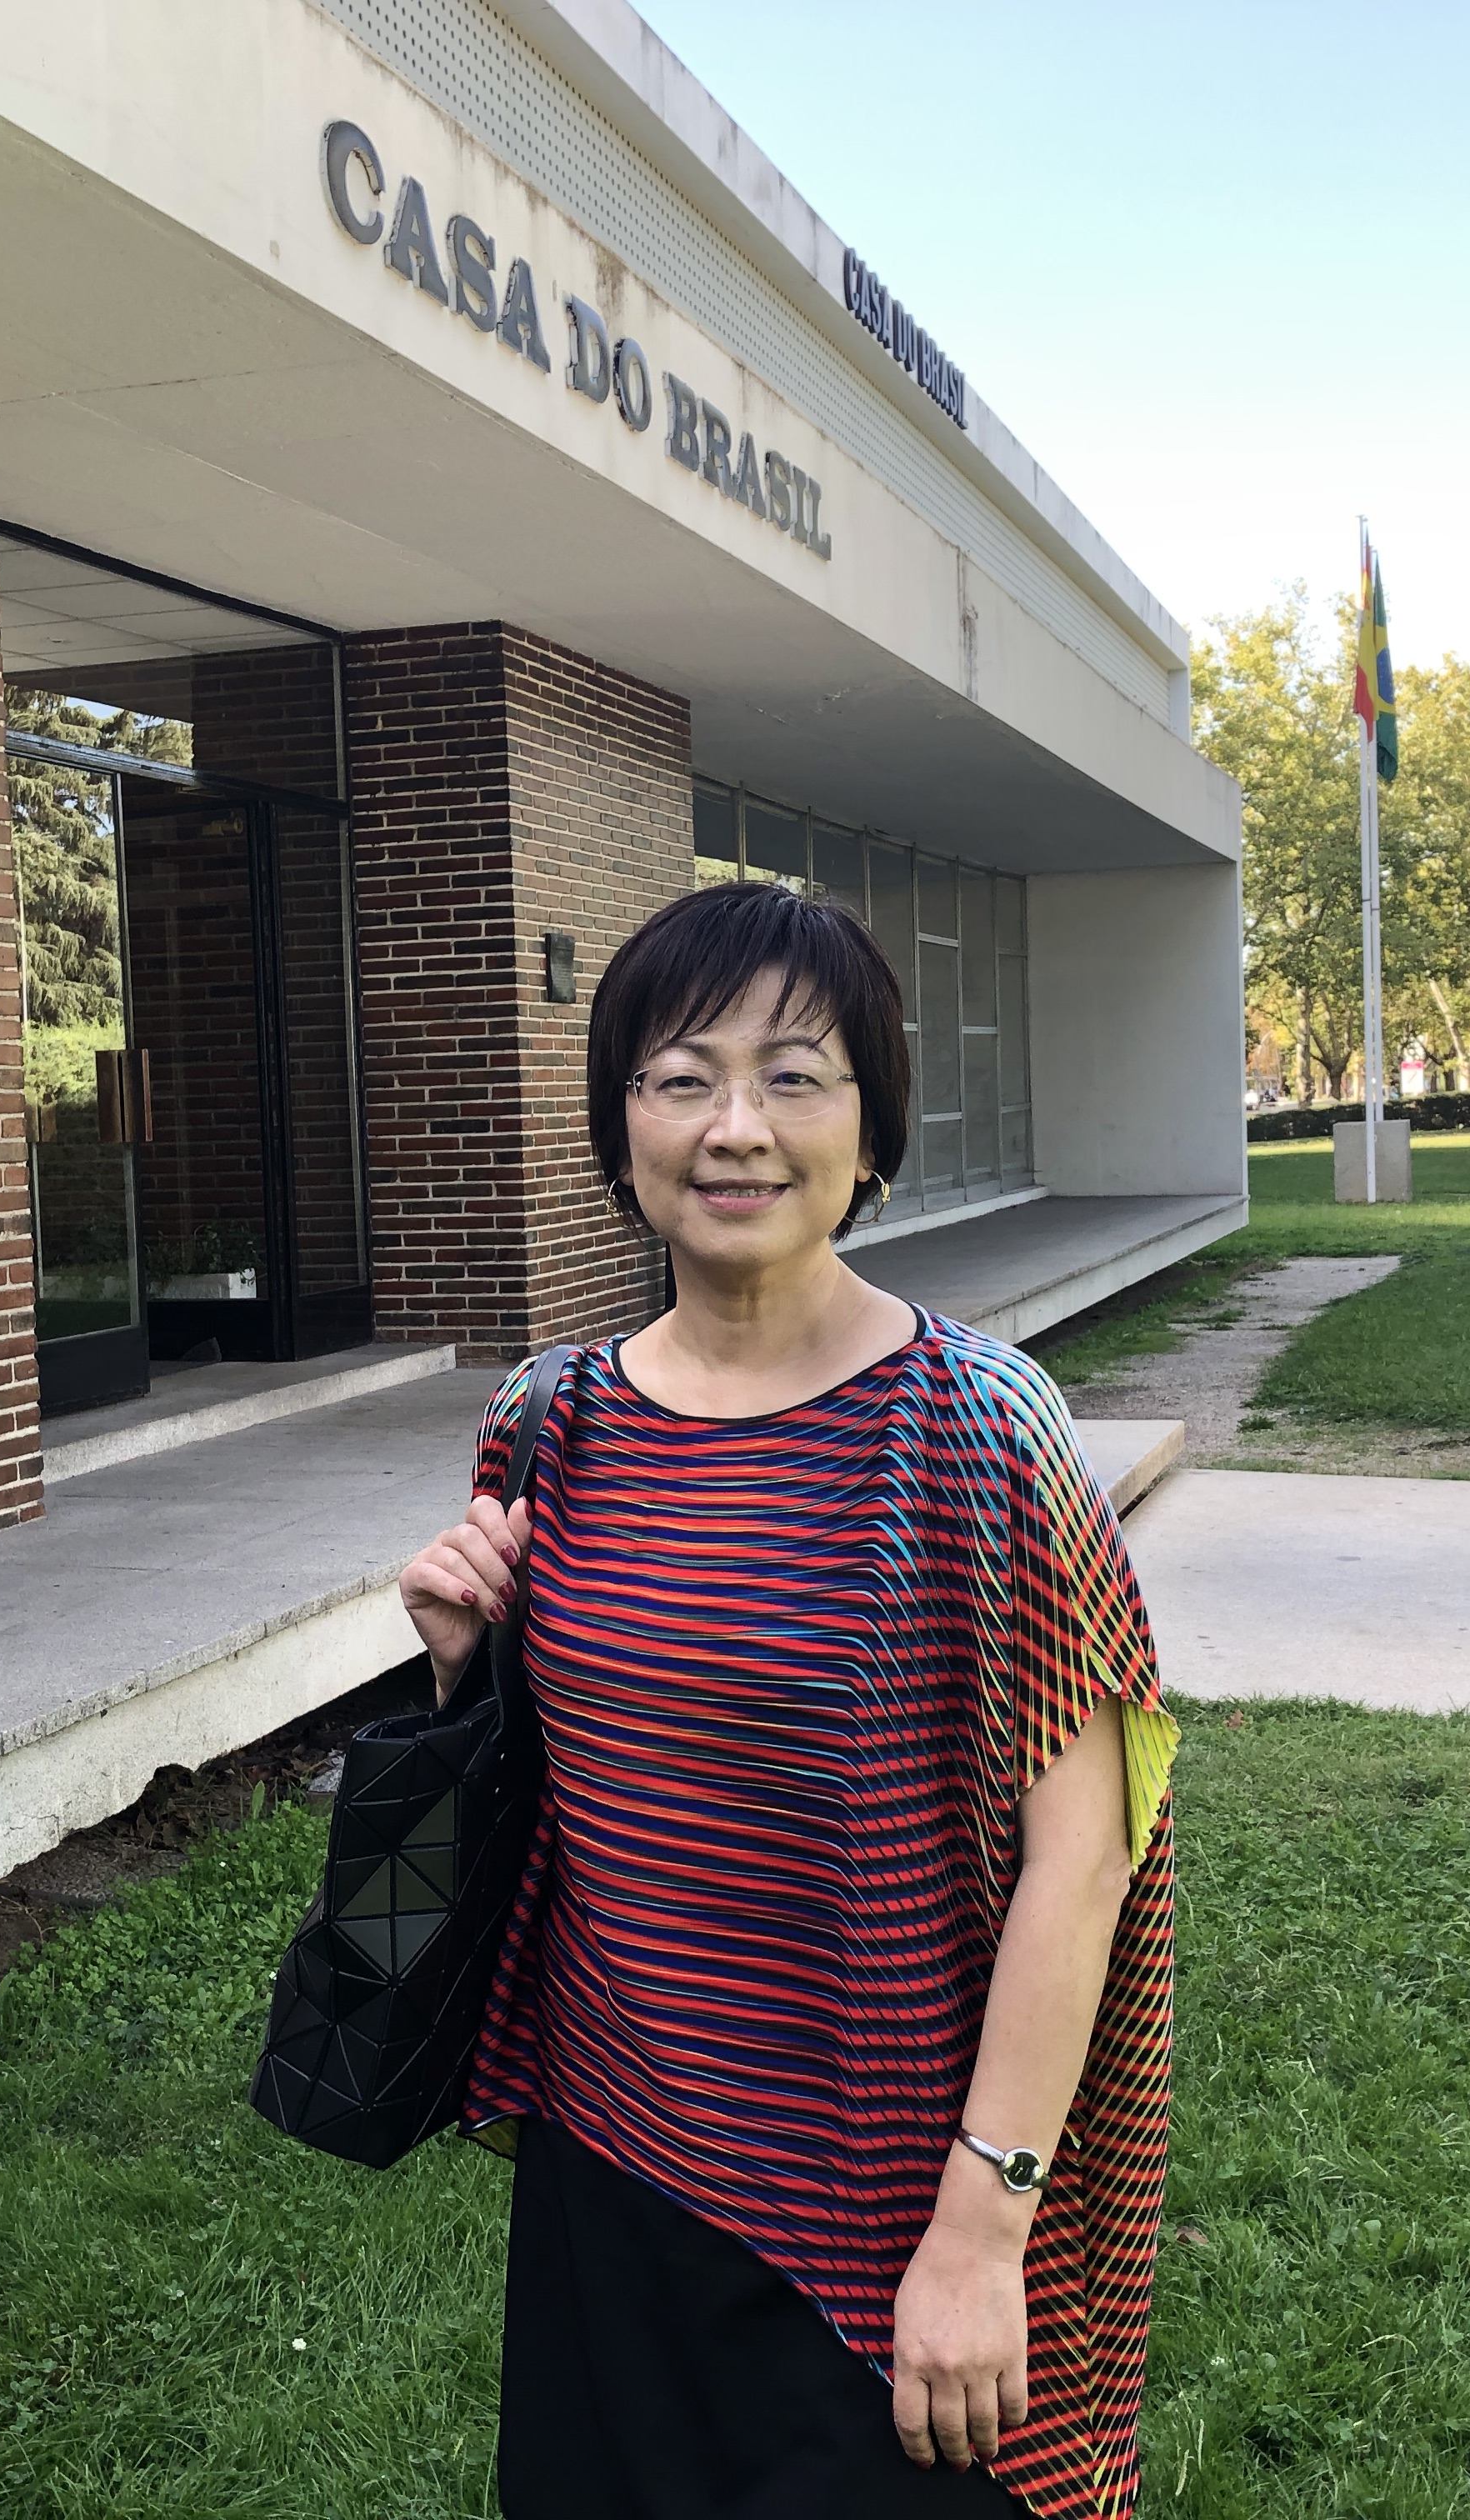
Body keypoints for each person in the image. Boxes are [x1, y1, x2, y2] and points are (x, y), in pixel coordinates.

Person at [396, 882, 1179, 2520]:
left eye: (794, 1077)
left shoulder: (983, 1429)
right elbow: (547, 1801)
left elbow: (1089, 1856)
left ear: (872, 1132)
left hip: (889, 2200)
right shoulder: (549, 1422)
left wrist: (982, 2232)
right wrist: (469, 1672)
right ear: (621, 1129)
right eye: (682, 1078)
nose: (734, 1128)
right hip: (613, 2168)